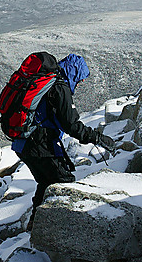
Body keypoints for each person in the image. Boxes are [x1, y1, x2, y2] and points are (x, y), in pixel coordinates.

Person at [11, 53, 117, 214]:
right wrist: (98, 138)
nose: (81, 83)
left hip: (22, 142)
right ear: (74, 72)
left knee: (46, 182)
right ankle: (51, 229)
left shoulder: (48, 82)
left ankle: (36, 222)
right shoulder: (60, 88)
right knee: (63, 182)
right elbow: (71, 125)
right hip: (38, 145)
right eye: (80, 78)